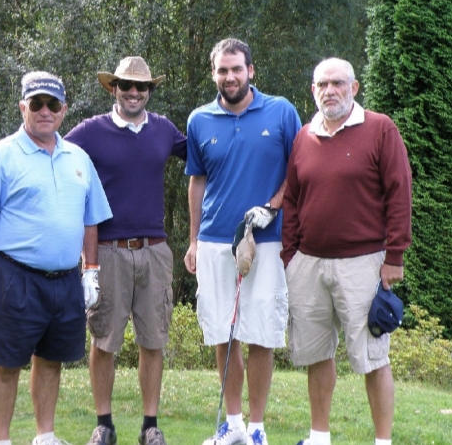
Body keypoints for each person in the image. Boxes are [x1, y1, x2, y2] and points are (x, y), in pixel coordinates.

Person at [0, 71, 112, 445]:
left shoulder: (78, 158)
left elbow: (90, 219)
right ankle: (0, 440)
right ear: (23, 107)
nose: (44, 111)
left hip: (65, 280)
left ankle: (44, 435)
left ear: (64, 110)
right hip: (14, 277)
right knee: (6, 363)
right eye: (36, 103)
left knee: (50, 360)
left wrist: (90, 271)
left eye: (52, 104)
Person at [280, 58, 412, 445]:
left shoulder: (380, 129)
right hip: (309, 263)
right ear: (313, 90)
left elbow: (399, 193)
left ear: (354, 88)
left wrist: (395, 257)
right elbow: (293, 199)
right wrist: (291, 258)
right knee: (317, 355)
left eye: (338, 83)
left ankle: (382, 441)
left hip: (364, 264)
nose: (329, 90)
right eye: (322, 84)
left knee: (373, 358)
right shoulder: (304, 137)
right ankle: (319, 436)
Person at [184, 38, 302, 445]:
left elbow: (299, 170)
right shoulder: (199, 119)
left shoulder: (282, 112)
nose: (229, 77)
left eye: (236, 69)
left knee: (262, 333)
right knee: (224, 332)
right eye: (222, 70)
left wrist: (272, 206)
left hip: (266, 240)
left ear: (251, 71)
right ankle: (232, 425)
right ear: (214, 74)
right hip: (216, 239)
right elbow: (197, 182)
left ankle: (256, 429)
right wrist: (194, 240)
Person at [65, 56, 187, 445]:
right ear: (112, 88)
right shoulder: (90, 132)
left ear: (150, 91)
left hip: (154, 252)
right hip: (107, 251)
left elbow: (209, 156)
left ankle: (150, 426)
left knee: (154, 341)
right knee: (104, 341)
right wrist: (0, 147)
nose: (134, 92)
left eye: (142, 87)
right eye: (126, 85)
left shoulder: (164, 130)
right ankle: (105, 425)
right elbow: (46, 147)